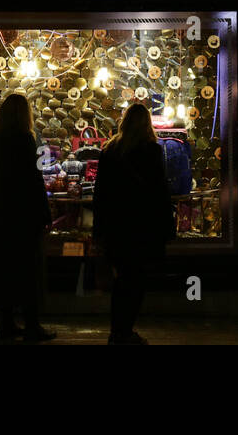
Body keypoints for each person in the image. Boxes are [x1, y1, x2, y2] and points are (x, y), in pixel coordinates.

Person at [93, 102, 174, 345]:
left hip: (117, 227)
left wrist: (100, 229)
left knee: (121, 280)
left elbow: (101, 194)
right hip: (142, 227)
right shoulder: (151, 151)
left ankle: (117, 330)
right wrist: (166, 226)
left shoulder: (110, 150)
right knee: (136, 281)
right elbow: (160, 192)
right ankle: (125, 330)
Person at [0, 93, 54, 342]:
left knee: (2, 268)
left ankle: (6, 323)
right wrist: (44, 212)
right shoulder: (26, 140)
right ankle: (32, 325)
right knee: (28, 269)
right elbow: (35, 180)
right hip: (22, 214)